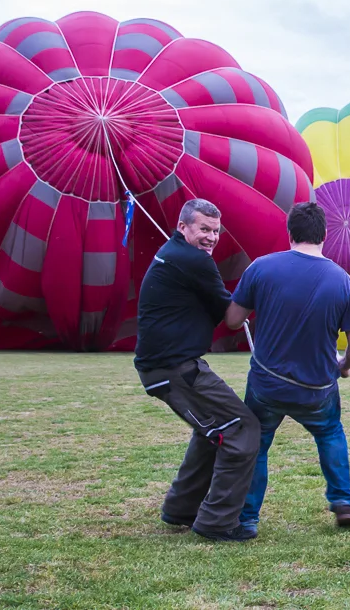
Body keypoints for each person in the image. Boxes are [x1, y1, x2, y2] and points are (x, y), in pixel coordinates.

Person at [224, 202, 350, 534]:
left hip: (267, 384)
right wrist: (343, 365)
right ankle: (343, 502)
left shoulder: (261, 268)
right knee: (330, 432)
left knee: (257, 445)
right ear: (325, 235)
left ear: (289, 233)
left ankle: (247, 520)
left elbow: (233, 321)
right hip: (317, 387)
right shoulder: (343, 281)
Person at [133, 198, 260, 542]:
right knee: (242, 428)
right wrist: (262, 286)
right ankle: (217, 522)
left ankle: (180, 509)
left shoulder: (175, 254)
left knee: (214, 429)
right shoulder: (192, 260)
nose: (211, 237)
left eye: (216, 231)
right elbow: (233, 318)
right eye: (204, 229)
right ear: (183, 226)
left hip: (168, 365)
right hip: (174, 369)